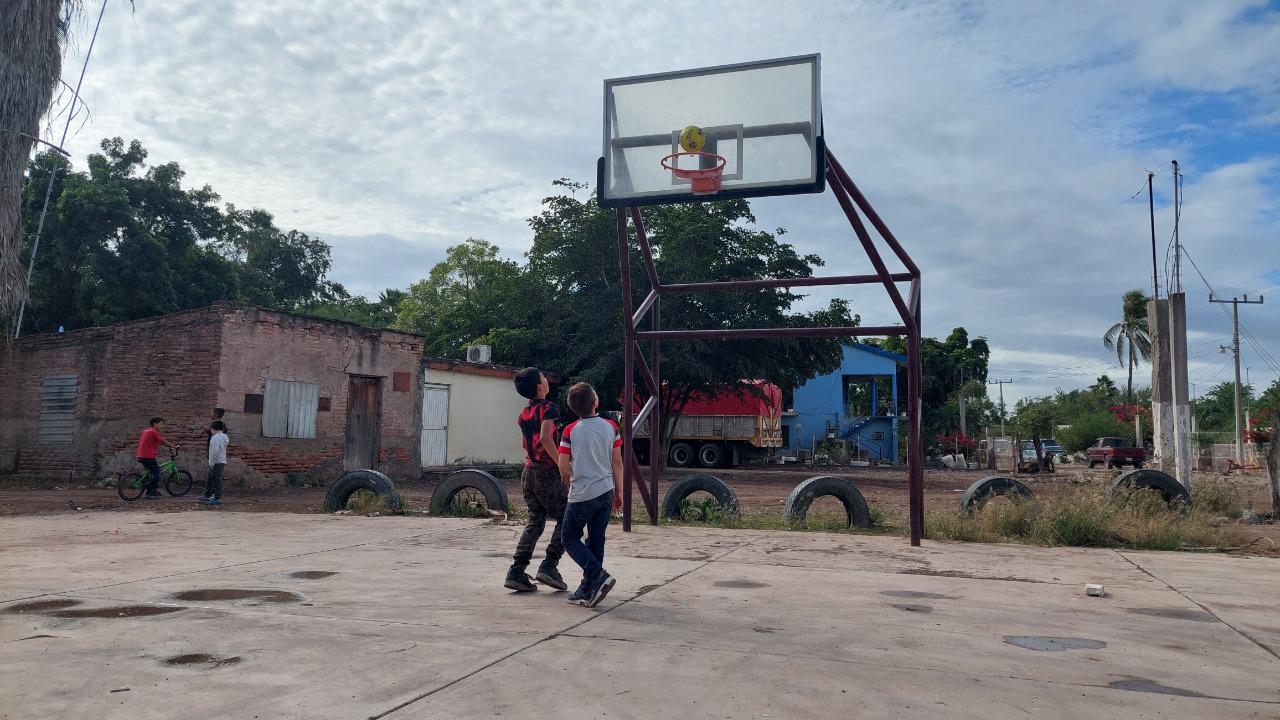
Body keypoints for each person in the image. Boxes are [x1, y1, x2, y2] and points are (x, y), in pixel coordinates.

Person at [557, 382, 623, 608]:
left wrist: (570, 479)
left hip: (583, 493)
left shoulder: (570, 430)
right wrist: (620, 491)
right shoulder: (611, 427)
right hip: (606, 489)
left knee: (569, 537)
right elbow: (618, 463)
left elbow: (563, 465)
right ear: (596, 403)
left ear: (572, 407)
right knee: (596, 538)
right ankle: (588, 589)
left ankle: (596, 574)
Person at [504, 368, 569, 593]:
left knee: (536, 520)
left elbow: (525, 444)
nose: (546, 378)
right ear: (540, 386)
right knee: (567, 516)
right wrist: (562, 464)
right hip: (545, 472)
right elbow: (544, 437)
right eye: (543, 376)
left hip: (528, 472)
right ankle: (549, 565)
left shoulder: (525, 412)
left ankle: (516, 570)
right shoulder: (549, 408)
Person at [136, 417, 177, 499]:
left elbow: (154, 441)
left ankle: (151, 490)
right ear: (155, 423)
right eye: (161, 424)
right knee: (157, 473)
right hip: (148, 456)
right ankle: (151, 493)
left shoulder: (146, 431)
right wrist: (174, 446)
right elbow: (163, 441)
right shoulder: (154, 432)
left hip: (141, 455)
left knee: (150, 473)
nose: (162, 426)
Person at [199, 420, 229, 505]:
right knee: (212, 478)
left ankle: (216, 498)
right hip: (221, 460)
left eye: (211, 428)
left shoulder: (215, 438)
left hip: (216, 461)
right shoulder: (224, 436)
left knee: (216, 480)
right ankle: (208, 496)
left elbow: (214, 452)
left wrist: (211, 463)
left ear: (213, 428)